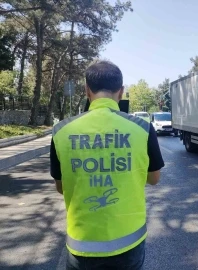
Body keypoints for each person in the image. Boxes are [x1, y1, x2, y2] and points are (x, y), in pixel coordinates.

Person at [50, 60, 164, 270]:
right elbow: (154, 179)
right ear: (121, 92)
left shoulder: (61, 131)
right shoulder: (143, 128)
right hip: (129, 242)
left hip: (82, 244)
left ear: (86, 90)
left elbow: (61, 187)